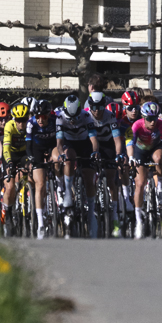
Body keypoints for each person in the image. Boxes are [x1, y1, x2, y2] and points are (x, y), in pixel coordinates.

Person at [124, 99, 162, 239]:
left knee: (159, 158)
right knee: (140, 184)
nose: (152, 122)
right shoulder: (136, 126)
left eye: (155, 118)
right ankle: (138, 220)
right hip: (140, 151)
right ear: (143, 117)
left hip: (155, 148)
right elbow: (130, 144)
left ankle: (160, 185)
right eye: (149, 119)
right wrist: (131, 158)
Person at [55, 92, 99, 236]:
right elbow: (59, 143)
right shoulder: (60, 117)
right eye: (70, 118)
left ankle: (91, 212)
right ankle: (68, 192)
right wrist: (61, 154)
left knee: (88, 177)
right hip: (69, 143)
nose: (72, 121)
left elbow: (93, 139)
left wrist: (95, 152)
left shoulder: (86, 116)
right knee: (69, 157)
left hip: (84, 143)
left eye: (75, 118)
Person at [85, 88, 125, 236]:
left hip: (107, 145)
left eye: (100, 107)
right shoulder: (86, 115)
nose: (97, 111)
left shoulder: (110, 116)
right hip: (91, 145)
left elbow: (117, 139)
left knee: (111, 179)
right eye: (94, 107)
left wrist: (118, 154)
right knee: (89, 175)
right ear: (90, 106)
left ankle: (114, 216)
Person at [25, 99, 57, 238]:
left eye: (43, 117)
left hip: (52, 147)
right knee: (40, 184)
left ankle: (60, 188)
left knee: (58, 159)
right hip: (36, 149)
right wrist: (31, 158)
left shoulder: (55, 121)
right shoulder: (31, 123)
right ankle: (40, 223)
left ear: (48, 115)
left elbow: (60, 141)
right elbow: (28, 145)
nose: (40, 120)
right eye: (37, 116)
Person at [1, 101, 31, 222]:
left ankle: (27, 195)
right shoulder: (9, 126)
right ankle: (7, 212)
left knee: (31, 169)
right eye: (18, 120)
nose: (21, 123)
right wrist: (9, 162)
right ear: (14, 119)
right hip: (11, 154)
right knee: (10, 186)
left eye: (24, 120)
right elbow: (6, 148)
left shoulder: (30, 125)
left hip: (24, 154)